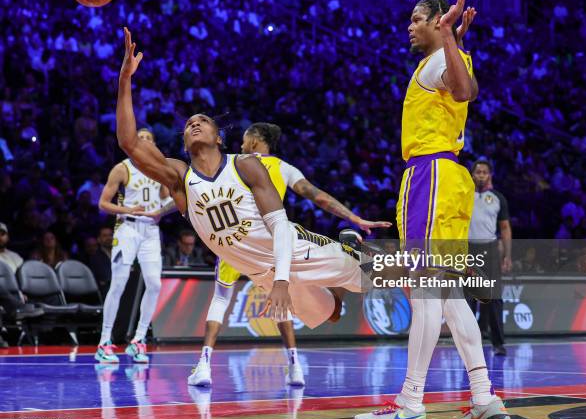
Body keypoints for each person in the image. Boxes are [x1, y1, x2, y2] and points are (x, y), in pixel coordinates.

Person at [115, 27, 388, 372]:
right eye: (188, 124)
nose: (195, 124)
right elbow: (128, 142)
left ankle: (459, 268)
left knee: (385, 278)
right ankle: (348, 250)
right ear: (184, 142)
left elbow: (281, 228)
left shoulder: (244, 165)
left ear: (218, 136)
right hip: (260, 271)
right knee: (332, 314)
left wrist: (283, 282)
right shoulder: (179, 178)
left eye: (203, 121)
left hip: (297, 251)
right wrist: (125, 79)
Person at [355, 0, 510, 419]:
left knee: (423, 291)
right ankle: (483, 397)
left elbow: (466, 92)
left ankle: (409, 402)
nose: (409, 26)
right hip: (447, 180)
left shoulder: (441, 58)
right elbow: (464, 86)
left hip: (431, 176)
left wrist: (449, 40)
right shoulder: (445, 57)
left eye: (416, 19)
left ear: (436, 21)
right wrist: (454, 42)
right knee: (448, 297)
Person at [189, 122, 391, 387]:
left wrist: (355, 218)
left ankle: (442, 272)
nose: (240, 142)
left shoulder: (240, 164)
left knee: (222, 298)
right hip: (249, 249)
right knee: (329, 312)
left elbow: (315, 196)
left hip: (278, 244)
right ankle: (291, 365)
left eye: (245, 137)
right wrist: (353, 217)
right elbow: (317, 196)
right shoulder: (274, 167)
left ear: (256, 139)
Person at [95, 128, 176, 364]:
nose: (145, 142)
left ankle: (138, 340)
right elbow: (103, 203)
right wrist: (128, 210)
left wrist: (164, 209)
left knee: (154, 284)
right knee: (118, 284)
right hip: (127, 228)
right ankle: (104, 342)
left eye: (150, 139)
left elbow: (165, 198)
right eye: (141, 138)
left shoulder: (159, 170)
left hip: (150, 230)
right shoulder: (122, 168)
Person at [468, 160, 512, 356]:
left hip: (491, 250)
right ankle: (468, 343)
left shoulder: (498, 198)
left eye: (485, 172)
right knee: (468, 299)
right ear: (472, 175)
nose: (481, 175)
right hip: (467, 251)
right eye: (478, 172)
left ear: (490, 176)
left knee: (494, 299)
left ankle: (498, 343)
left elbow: (505, 228)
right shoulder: (463, 196)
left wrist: (507, 255)